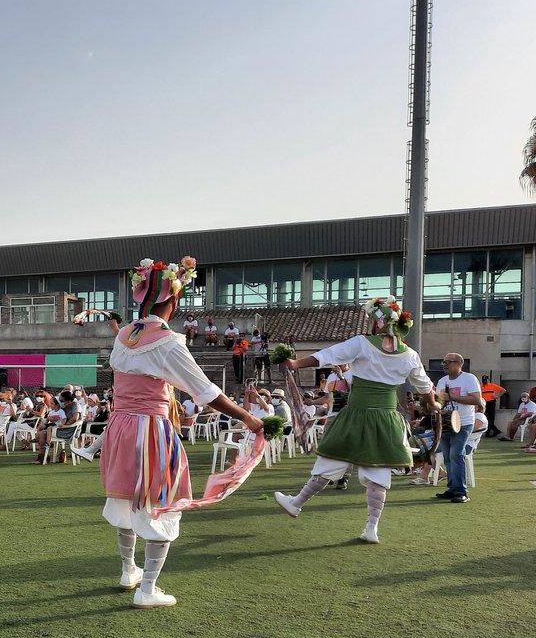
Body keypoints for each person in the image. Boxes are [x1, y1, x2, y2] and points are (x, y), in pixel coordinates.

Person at [101, 258, 262, 608]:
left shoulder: (124, 336)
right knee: (164, 503)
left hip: (121, 425)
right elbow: (204, 391)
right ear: (173, 302)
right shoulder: (168, 343)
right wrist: (248, 418)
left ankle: (129, 570)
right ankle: (148, 589)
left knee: (126, 497)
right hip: (150, 429)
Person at [273, 297, 434, 543]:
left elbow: (326, 356)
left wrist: (295, 363)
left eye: (373, 320)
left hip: (357, 413)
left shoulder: (362, 344)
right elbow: (425, 387)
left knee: (330, 461)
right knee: (378, 472)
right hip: (387, 418)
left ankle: (296, 503)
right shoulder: (410, 355)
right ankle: (371, 529)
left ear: (379, 323)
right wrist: (433, 404)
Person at [433, 353, 484, 504]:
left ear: (459, 363)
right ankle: (452, 489)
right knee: (448, 456)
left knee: (456, 454)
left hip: (464, 422)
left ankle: (462, 491)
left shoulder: (469, 378)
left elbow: (476, 400)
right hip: (446, 422)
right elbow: (439, 401)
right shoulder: (442, 381)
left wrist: (452, 398)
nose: (444, 365)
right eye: (444, 362)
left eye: (448, 362)